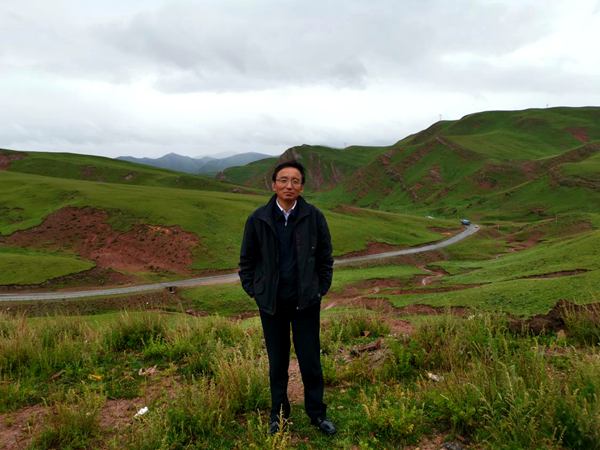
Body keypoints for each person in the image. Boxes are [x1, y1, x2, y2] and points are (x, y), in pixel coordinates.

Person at [238, 160, 336, 436]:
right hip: (272, 305)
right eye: (283, 180)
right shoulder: (258, 219)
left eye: (295, 181)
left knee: (310, 361)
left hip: (306, 303)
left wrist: (320, 289)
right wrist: (256, 291)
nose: (289, 185)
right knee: (277, 363)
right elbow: (247, 261)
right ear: (273, 185)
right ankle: (278, 415)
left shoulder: (314, 217)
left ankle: (317, 414)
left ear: (301, 186)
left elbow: (325, 258)